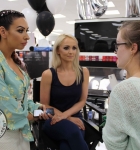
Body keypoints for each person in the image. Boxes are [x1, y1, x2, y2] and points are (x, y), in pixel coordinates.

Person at [103, 20, 140, 150]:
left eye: (118, 45)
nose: (116, 52)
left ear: (133, 48)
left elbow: (113, 146)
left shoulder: (124, 91)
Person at [0, 10, 43, 150]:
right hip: (4, 135)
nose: (26, 36)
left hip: (21, 133)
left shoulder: (15, 62)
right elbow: (7, 109)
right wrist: (35, 116)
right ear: (3, 31)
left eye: (27, 31)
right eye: (20, 31)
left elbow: (22, 99)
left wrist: (39, 108)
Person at [40, 34, 89, 150]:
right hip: (53, 119)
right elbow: (45, 105)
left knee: (66, 146)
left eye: (74, 48)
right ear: (57, 50)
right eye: (66, 48)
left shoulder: (84, 72)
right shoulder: (48, 74)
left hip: (76, 118)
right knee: (73, 133)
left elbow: (82, 101)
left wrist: (66, 116)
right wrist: (67, 118)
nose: (71, 52)